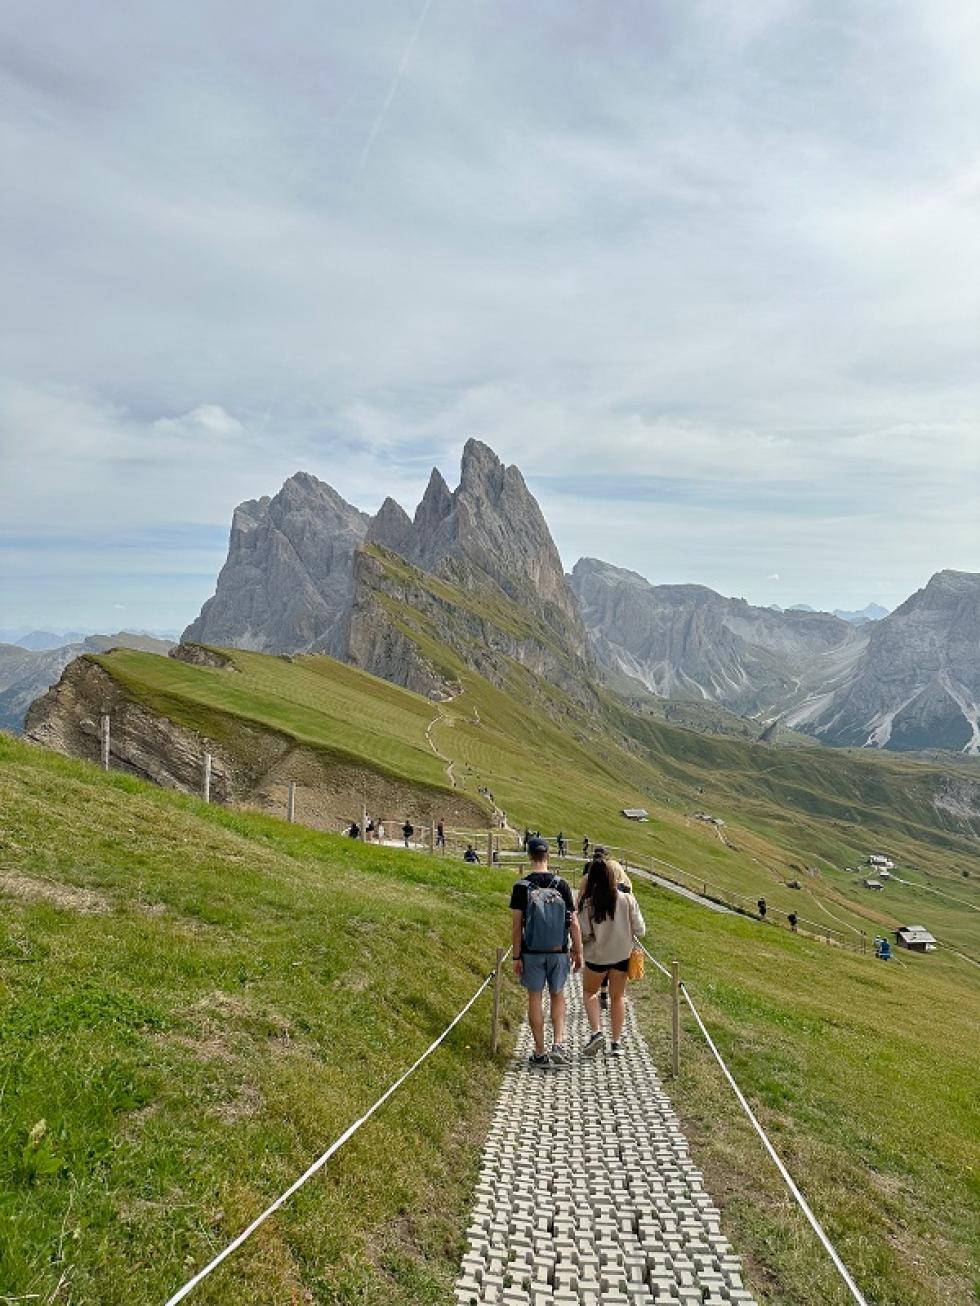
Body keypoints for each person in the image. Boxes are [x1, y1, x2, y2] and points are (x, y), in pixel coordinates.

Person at [510, 836, 583, 1068]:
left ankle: (539, 1051)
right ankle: (558, 1044)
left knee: (535, 997)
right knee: (558, 994)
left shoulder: (521, 887)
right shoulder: (561, 885)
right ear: (548, 856)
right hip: (559, 951)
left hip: (531, 952)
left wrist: (516, 955)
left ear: (530, 856)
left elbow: (516, 925)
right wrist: (578, 951)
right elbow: (573, 922)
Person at [578, 853, 646, 1057]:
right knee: (618, 997)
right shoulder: (627, 899)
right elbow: (641, 929)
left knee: (590, 992)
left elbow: (584, 934)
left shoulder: (588, 903)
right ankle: (616, 1043)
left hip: (597, 957)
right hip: (622, 956)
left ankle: (596, 1032)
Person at [578, 854, 633, 1010]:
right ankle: (609, 995)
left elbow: (585, 929)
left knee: (600, 962)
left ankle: (603, 993)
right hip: (619, 942)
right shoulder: (620, 879)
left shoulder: (588, 881)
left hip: (597, 942)